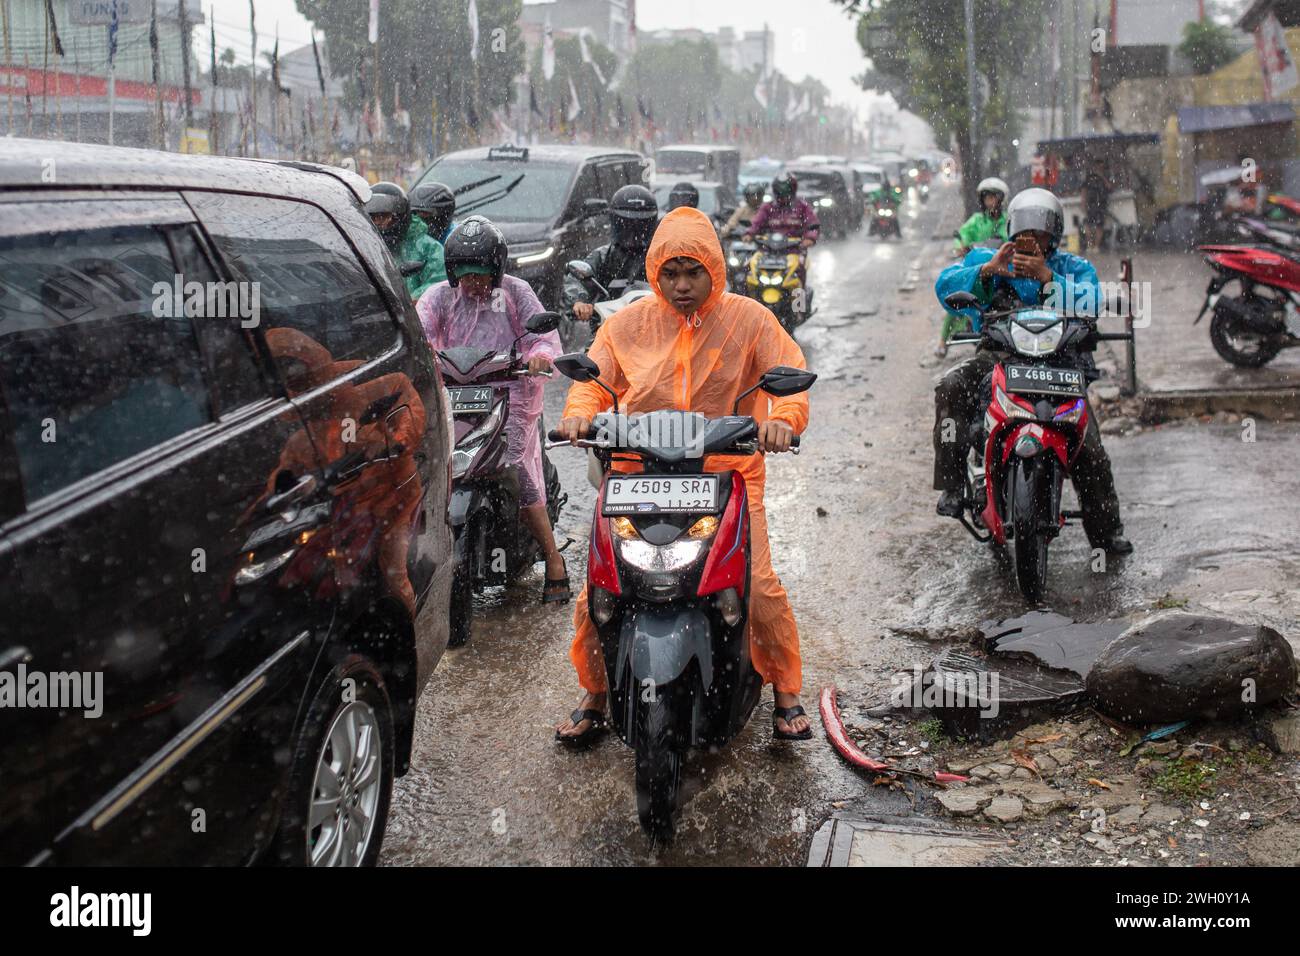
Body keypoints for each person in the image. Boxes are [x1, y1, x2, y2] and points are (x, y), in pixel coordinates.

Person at [553, 206, 814, 744]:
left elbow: (788, 369)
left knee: (758, 588)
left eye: (693, 272)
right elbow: (593, 380)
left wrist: (782, 421)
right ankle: (596, 692)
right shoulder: (626, 323)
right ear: (654, 273)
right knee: (597, 593)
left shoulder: (749, 319)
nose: (681, 285)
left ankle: (785, 690)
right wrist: (579, 413)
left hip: (727, 471)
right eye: (670, 273)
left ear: (713, 269)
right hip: (636, 474)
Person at [932, 187, 1132, 555]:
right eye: (1024, 232)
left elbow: (1093, 302)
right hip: (999, 359)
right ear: (1011, 231)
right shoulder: (988, 257)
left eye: (1039, 233)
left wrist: (1048, 279)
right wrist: (987, 272)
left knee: (1089, 449)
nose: (1030, 240)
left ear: (1052, 235)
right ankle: (953, 484)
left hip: (1060, 364)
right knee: (950, 386)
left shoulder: (1073, 268)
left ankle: (1106, 534)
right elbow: (944, 287)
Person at [416, 215, 572, 601]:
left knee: (517, 465)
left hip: (511, 393)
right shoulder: (437, 297)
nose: (474, 281)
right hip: (452, 395)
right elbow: (420, 336)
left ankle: (554, 559)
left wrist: (538, 356)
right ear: (453, 273)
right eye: (465, 274)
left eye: (481, 273)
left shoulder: (517, 293)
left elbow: (545, 340)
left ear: (498, 268)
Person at [561, 184, 658, 328]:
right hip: (607, 330)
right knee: (589, 350)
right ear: (616, 222)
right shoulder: (603, 256)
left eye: (639, 226)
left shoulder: (661, 256)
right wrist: (579, 301)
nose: (633, 234)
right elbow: (576, 279)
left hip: (657, 329)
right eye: (627, 226)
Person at [939, 177, 1010, 357]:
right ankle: (942, 341)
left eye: (993, 197)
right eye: (986, 198)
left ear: (1001, 199)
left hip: (1002, 269)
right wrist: (960, 247)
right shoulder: (977, 220)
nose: (990, 201)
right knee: (956, 298)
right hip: (979, 268)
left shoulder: (1009, 220)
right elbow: (962, 235)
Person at [366, 182, 444, 301]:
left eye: (384, 216)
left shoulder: (429, 248)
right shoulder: (363, 245)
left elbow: (438, 285)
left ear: (399, 216)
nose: (378, 223)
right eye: (373, 217)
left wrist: (407, 302)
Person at [744, 172, 820, 287]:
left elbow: (813, 226)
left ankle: (799, 301)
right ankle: (747, 300)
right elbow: (756, 223)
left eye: (785, 190)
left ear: (792, 190)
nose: (782, 194)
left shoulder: (802, 207)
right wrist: (749, 234)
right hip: (767, 250)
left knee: (799, 269)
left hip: (794, 250)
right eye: (779, 191)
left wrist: (809, 238)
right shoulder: (767, 207)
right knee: (748, 267)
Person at [1081, 159, 1112, 253]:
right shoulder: (1089, 177)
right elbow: (1084, 190)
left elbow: (1109, 187)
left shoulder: (1105, 176)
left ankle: (1095, 246)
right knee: (1089, 225)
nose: (1099, 168)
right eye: (1098, 166)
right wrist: (1084, 203)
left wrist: (1102, 176)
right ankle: (1090, 245)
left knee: (1099, 226)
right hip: (1092, 204)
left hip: (1101, 204)